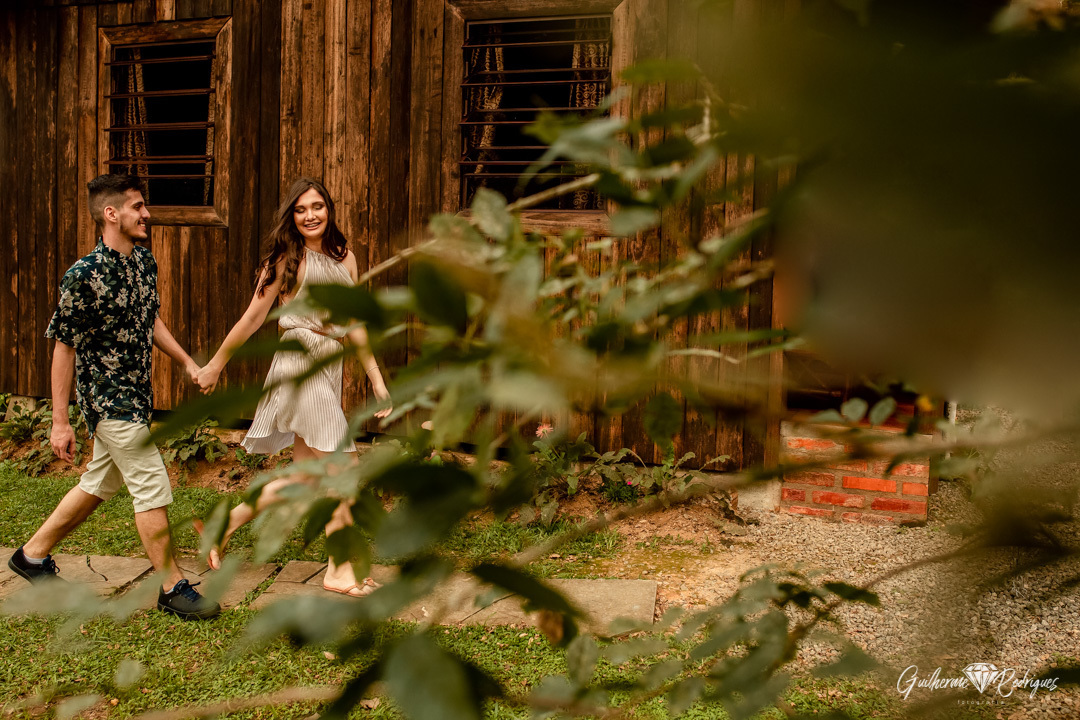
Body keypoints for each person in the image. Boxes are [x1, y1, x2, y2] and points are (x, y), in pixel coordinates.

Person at [6, 174, 220, 621]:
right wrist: (60, 421)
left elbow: (151, 319)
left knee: (98, 484)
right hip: (107, 400)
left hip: (137, 395)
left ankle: (31, 555)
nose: (147, 214)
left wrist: (185, 361)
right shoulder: (83, 276)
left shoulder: (144, 262)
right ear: (111, 213)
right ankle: (171, 586)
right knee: (151, 486)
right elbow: (63, 347)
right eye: (138, 206)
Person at [194, 177, 391, 597]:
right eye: (300, 210)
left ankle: (224, 523)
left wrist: (376, 379)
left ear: (329, 208)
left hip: (328, 362)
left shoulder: (346, 258)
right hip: (299, 358)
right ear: (291, 216)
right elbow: (251, 319)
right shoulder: (285, 259)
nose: (310, 216)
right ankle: (339, 569)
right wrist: (214, 365)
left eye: (317, 206)